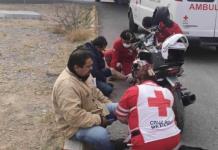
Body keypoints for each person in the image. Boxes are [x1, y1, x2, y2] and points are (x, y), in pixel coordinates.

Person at [52, 49, 119, 150]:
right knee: (103, 136)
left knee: (119, 108)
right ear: (76, 67)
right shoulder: (66, 85)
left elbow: (96, 92)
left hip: (93, 111)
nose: (91, 68)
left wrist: (108, 106)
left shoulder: (84, 74)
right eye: (88, 66)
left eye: (91, 65)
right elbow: (74, 117)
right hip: (74, 127)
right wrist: (99, 120)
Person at [116, 58, 181, 150]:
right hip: (174, 139)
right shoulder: (167, 92)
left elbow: (121, 117)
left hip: (145, 143)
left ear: (137, 77)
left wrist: (136, 120)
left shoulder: (133, 91)